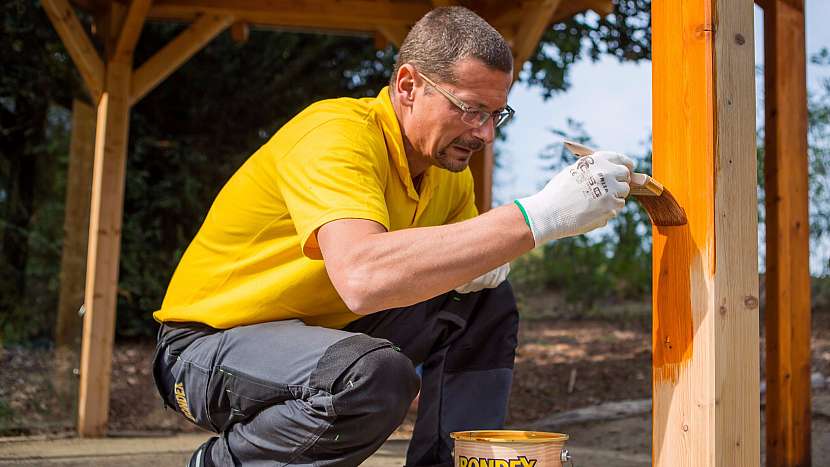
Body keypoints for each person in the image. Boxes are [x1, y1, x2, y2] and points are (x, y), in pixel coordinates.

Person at [151, 6, 634, 467]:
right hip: (204, 349)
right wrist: (539, 214)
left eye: (495, 115)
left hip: (324, 338)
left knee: (484, 301)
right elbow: (363, 277)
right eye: (470, 109)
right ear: (407, 85)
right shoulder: (335, 135)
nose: (485, 134)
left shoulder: (449, 176)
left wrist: (485, 254)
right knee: (373, 377)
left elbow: (453, 272)